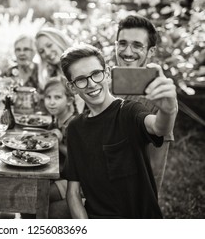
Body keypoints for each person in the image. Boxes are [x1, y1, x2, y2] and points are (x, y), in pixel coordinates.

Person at [61, 44, 178, 218]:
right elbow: (73, 192)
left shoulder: (129, 111)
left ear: (107, 73)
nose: (91, 84)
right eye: (81, 79)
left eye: (96, 74)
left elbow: (158, 127)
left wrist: (169, 110)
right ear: (72, 87)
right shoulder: (75, 127)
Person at [115, 14, 173, 192]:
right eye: (122, 43)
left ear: (150, 51)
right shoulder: (102, 84)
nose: (128, 52)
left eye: (137, 45)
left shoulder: (157, 96)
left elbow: (155, 166)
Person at [43, 76, 77, 218]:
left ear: (69, 101)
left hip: (76, 182)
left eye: (57, 97)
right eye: (48, 97)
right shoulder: (58, 120)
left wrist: (59, 142)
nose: (51, 102)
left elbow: (81, 160)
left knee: (34, 195)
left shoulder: (75, 125)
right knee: (29, 192)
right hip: (59, 175)